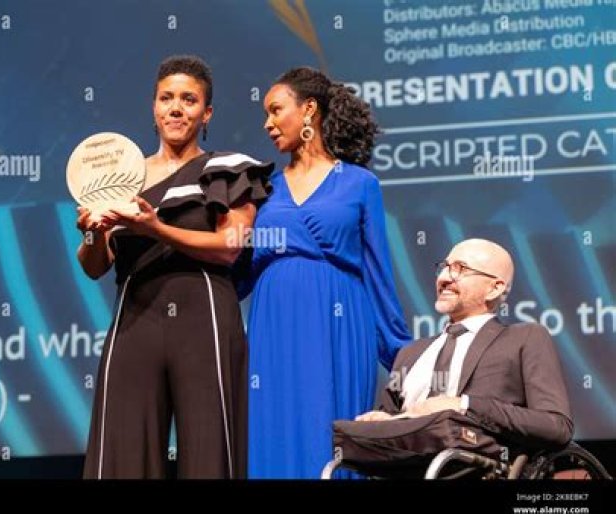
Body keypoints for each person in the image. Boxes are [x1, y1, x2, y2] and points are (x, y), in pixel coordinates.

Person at [78, 55, 273, 479]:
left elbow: (230, 247)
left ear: (207, 113)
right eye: (166, 98)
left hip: (205, 317)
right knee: (121, 447)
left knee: (208, 448)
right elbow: (95, 266)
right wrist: (92, 234)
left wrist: (156, 229)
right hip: (134, 320)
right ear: (154, 107)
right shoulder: (120, 179)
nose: (176, 108)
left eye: (189, 99)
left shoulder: (226, 169)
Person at [246, 67, 411, 478]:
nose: (267, 123)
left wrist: (405, 358)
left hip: (340, 323)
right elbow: (235, 267)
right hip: (273, 327)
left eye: (275, 110)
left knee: (330, 436)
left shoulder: (360, 184)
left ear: (309, 110)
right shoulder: (262, 189)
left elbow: (378, 274)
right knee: (273, 433)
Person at [357, 238, 573, 450]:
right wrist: (381, 421)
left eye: (460, 269)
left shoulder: (523, 338)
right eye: (444, 267)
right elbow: (390, 421)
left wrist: (462, 405)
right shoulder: (410, 353)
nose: (443, 278)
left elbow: (556, 426)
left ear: (495, 288)